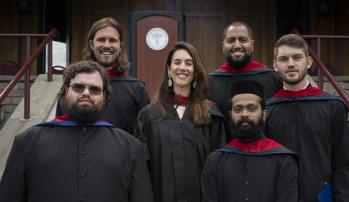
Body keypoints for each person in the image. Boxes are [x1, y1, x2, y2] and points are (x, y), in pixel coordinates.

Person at [0, 61, 153, 202]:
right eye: (78, 87)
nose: (86, 93)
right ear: (66, 91)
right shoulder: (28, 142)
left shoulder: (131, 148)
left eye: (94, 89)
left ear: (105, 97)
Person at [266, 34, 349, 202]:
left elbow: (343, 164)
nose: (291, 64)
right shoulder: (268, 110)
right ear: (275, 65)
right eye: (284, 59)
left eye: (297, 57)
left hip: (321, 197)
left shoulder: (332, 106)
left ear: (308, 62)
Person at [135, 42, 226, 202]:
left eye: (189, 63)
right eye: (177, 62)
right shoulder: (149, 116)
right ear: (169, 70)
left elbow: (219, 167)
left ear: (195, 72)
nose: (182, 67)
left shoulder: (210, 115)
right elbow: (142, 169)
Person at [201, 80, 298, 202]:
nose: (244, 114)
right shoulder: (215, 162)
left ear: (264, 114)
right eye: (238, 109)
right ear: (231, 115)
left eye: (251, 108)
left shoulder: (283, 160)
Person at [57, 17, 149, 134]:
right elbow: (60, 129)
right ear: (91, 44)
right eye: (101, 39)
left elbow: (143, 136)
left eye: (112, 40)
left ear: (120, 46)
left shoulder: (137, 90)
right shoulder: (72, 87)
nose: (106, 45)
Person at [208, 21, 282, 141]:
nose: (237, 45)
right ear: (223, 46)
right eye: (231, 40)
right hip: (224, 154)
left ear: (252, 45)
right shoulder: (211, 82)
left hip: (264, 153)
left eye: (243, 40)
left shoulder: (272, 79)